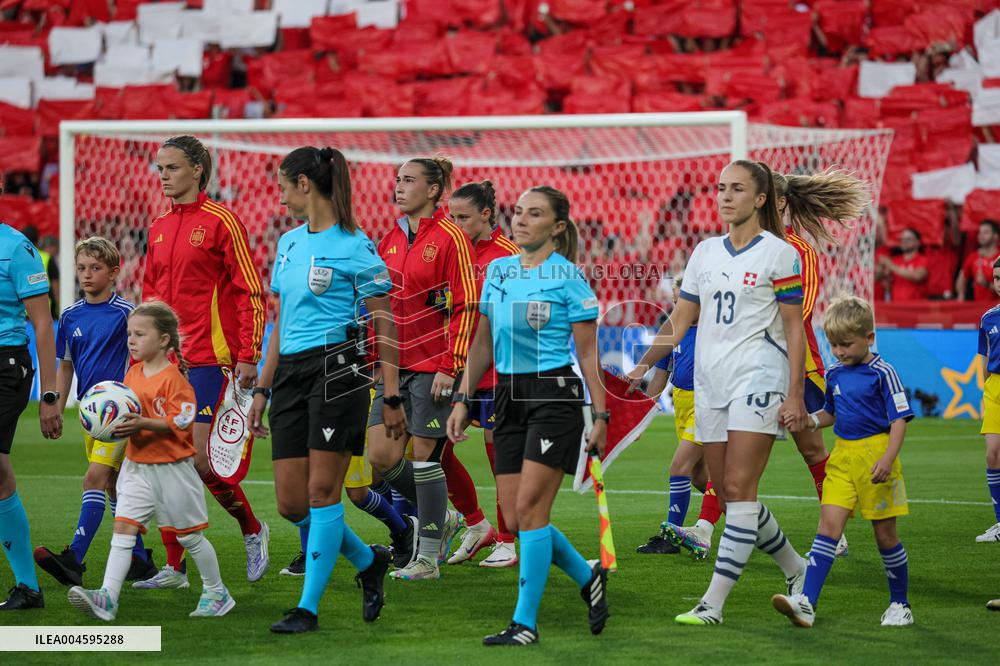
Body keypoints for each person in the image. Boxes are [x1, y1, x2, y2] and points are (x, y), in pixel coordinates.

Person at [627, 160, 809, 626]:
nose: (725, 197)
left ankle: (713, 604)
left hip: (759, 378)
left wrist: (795, 395)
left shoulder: (780, 253)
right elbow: (681, 318)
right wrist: (642, 366)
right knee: (727, 496)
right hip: (711, 383)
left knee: (740, 488)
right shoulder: (705, 252)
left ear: (761, 198)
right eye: (720, 188)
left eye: (738, 189)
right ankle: (797, 569)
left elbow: (794, 329)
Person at [668, 169, 869, 560]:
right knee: (727, 457)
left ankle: (834, 528)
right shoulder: (731, 249)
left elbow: (801, 312)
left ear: (776, 202)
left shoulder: (795, 251)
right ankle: (706, 529)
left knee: (811, 450)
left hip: (798, 366)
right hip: (741, 370)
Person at [246, 146, 404, 633]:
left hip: (341, 370)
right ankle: (368, 561)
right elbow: (282, 321)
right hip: (290, 372)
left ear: (304, 185)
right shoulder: (289, 243)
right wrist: (262, 390)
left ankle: (307, 609)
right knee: (292, 503)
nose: (278, 193)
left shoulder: (357, 246)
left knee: (322, 491)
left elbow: (385, 321)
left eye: (282, 184)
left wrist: (392, 393)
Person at [448, 185, 610, 646]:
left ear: (557, 227)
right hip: (505, 397)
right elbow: (481, 343)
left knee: (532, 513)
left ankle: (524, 623)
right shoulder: (497, 270)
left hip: (554, 397)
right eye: (518, 212)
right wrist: (463, 398)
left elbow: (588, 354)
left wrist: (600, 415)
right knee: (517, 520)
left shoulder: (569, 277)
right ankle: (588, 576)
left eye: (533, 214)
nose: (520, 220)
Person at [140, 135, 269, 587]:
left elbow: (249, 290)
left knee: (199, 462)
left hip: (211, 360)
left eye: (171, 167)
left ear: (197, 170)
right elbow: (149, 297)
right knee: (163, 458)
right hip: (167, 363)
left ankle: (253, 529)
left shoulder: (221, 222)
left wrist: (248, 354)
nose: (163, 176)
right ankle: (174, 567)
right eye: (160, 168)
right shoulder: (157, 226)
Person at [68, 302, 234, 620]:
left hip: (172, 469)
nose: (131, 340)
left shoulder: (175, 380)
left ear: (163, 341)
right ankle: (107, 597)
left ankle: (217, 592)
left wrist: (142, 423)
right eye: (129, 333)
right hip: (137, 466)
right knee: (123, 529)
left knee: (189, 535)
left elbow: (182, 422)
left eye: (140, 334)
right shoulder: (131, 374)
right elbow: (125, 415)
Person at [772, 296, 914, 627]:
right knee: (827, 528)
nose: (838, 352)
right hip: (842, 457)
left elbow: (899, 420)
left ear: (869, 337)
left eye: (846, 344)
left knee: (885, 535)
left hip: (876, 456)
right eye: (834, 344)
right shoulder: (834, 373)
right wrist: (807, 421)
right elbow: (830, 414)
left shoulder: (883, 373)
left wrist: (888, 459)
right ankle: (806, 602)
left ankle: (900, 604)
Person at [366, 156, 477, 581]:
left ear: (433, 190)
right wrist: (379, 360)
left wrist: (451, 366)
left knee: (423, 458)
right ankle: (443, 514)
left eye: (409, 180)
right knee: (381, 457)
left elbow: (466, 305)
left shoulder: (451, 238)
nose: (399, 186)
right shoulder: (389, 238)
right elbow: (381, 309)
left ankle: (427, 558)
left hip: (434, 366)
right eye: (397, 179)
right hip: (395, 367)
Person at [34, 237, 156, 588]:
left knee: (94, 479)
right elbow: (67, 364)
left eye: (96, 268)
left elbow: (142, 357)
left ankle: (74, 558)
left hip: (118, 415)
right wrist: (54, 400)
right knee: (114, 485)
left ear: (114, 272)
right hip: (91, 415)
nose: (87, 275)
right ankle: (140, 559)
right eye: (82, 268)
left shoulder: (125, 314)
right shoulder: (70, 315)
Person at [444, 180, 520, 567]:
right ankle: (476, 524)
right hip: (451, 367)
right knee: (432, 450)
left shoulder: (506, 257)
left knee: (499, 454)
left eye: (463, 217)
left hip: (493, 373)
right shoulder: (449, 251)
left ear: (486, 215)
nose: (455, 224)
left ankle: (508, 538)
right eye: (450, 217)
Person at [0, 171, 63, 610]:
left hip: (6, 365)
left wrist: (50, 395)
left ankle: (28, 586)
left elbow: (43, 323)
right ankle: (28, 587)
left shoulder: (16, 248)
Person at [635, 275, 708, 555]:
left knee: (679, 467)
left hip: (706, 405)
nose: (679, 308)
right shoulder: (672, 333)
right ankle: (751, 520)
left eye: (685, 302)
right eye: (676, 303)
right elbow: (660, 377)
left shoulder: (713, 332)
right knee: (702, 479)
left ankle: (671, 537)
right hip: (682, 404)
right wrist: (641, 420)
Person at [975, 255, 1000, 543]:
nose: (999, 283)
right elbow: (984, 356)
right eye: (996, 278)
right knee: (993, 454)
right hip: (994, 389)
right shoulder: (988, 318)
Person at [878, 228, 928, 301]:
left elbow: (917, 276)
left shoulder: (923, 259)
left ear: (918, 243)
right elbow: (886, 283)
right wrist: (882, 270)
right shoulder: (895, 260)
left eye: (909, 239)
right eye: (902, 239)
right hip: (897, 307)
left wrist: (891, 266)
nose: (904, 241)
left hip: (916, 307)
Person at [956, 220, 1000, 302]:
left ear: (995, 236)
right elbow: (961, 279)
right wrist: (960, 294)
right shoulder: (973, 257)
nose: (981, 236)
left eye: (985, 232)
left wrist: (986, 284)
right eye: (980, 232)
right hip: (979, 309)